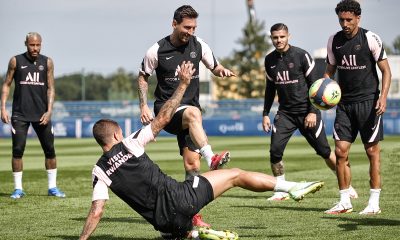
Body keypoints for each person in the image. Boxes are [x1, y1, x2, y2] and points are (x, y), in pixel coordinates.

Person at [79, 61, 325, 240]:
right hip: (182, 199)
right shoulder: (129, 143)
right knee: (235, 175)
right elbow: (163, 118)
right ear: (115, 135)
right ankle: (291, 187)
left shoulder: (99, 171)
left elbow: (97, 210)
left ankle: (197, 234)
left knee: (176, 231)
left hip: (164, 224)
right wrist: (183, 84)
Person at [137, 5, 236, 226]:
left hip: (191, 115)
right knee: (193, 113)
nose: (190, 31)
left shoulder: (199, 45)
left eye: (194, 27)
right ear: (174, 23)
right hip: (167, 111)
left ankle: (192, 215)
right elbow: (143, 76)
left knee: (192, 166)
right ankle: (212, 157)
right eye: (186, 27)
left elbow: (215, 67)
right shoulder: (156, 50)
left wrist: (222, 71)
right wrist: (143, 106)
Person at [262, 23, 357, 201]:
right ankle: (281, 190)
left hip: (307, 112)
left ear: (288, 36)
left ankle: (347, 185)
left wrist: (313, 111)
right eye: (275, 37)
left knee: (325, 151)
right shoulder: (269, 60)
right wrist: (265, 113)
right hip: (285, 114)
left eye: (282, 37)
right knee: (275, 151)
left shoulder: (301, 55)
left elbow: (317, 84)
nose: (278, 40)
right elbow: (269, 89)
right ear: (271, 38)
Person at [324, 0, 391, 215]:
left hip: (369, 103)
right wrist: (323, 91)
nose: (345, 23)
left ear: (358, 18)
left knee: (372, 152)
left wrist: (383, 97)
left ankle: (374, 203)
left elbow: (386, 71)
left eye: (349, 20)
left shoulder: (370, 38)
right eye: (341, 19)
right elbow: (329, 71)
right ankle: (344, 201)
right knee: (340, 151)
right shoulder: (334, 41)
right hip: (344, 105)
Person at [0, 32, 65, 199]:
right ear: (26, 44)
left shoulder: (47, 62)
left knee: (50, 150)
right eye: (32, 45)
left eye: (38, 45)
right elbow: (6, 84)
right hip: (20, 114)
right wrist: (2, 108)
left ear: (41, 44)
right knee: (17, 150)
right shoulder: (16, 61)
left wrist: (49, 110)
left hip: (42, 114)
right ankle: (18, 189)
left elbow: (51, 87)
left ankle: (52, 187)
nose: (35, 48)